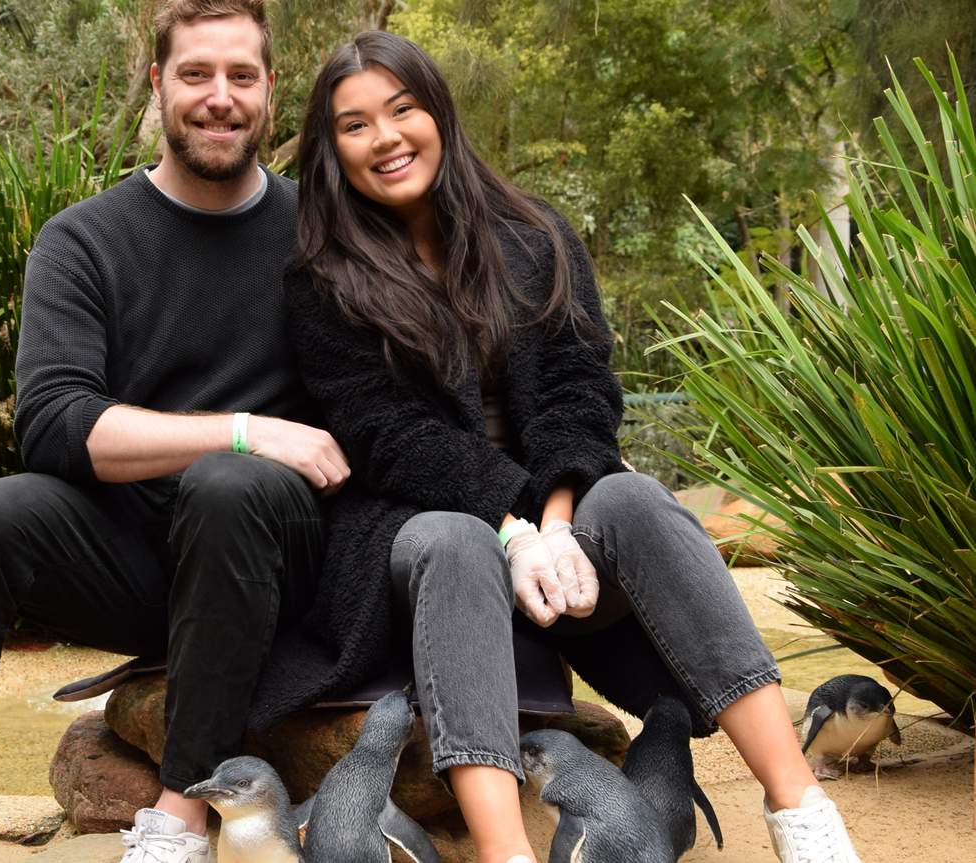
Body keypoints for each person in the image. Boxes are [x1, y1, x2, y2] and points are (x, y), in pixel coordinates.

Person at [278, 30, 864, 863]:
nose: (386, 138)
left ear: (438, 113)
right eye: (355, 124)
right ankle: (504, 849)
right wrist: (509, 532)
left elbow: (578, 393)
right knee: (454, 540)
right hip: (411, 536)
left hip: (554, 536)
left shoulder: (532, 233)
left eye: (402, 110)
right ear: (332, 148)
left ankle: (799, 809)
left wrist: (552, 524)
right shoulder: (321, 274)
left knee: (629, 496)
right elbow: (384, 436)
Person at [0, 3, 350, 862]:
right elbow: (52, 423)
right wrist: (242, 428)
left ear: (271, 89)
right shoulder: (83, 239)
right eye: (196, 74)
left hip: (275, 556)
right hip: (132, 558)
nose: (220, 97)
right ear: (159, 85)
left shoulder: (324, 233)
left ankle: (177, 822)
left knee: (228, 485)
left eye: (242, 76)